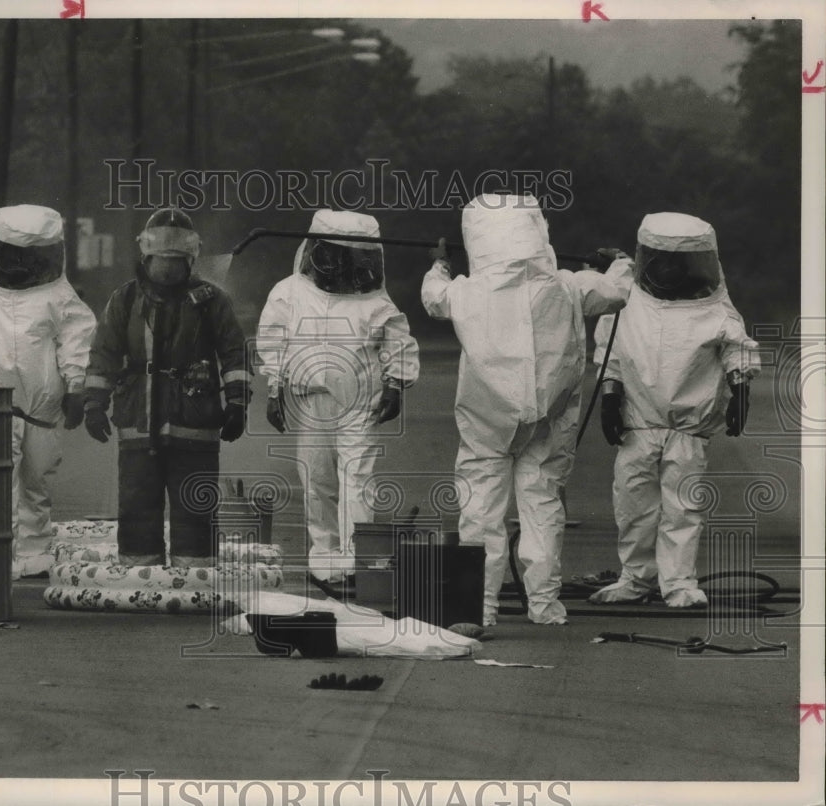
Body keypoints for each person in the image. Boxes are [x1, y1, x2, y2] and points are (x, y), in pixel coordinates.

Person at [421, 193, 631, 626]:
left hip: (487, 423)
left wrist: (440, 262)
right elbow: (618, 291)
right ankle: (544, 605)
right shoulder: (570, 285)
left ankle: (478, 607)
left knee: (480, 511)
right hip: (548, 422)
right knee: (542, 506)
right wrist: (620, 261)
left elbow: (432, 296)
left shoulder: (467, 292)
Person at [589, 212, 760, 608]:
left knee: (683, 506)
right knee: (633, 506)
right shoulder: (627, 301)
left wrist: (741, 391)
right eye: (660, 260)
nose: (668, 270)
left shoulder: (715, 308)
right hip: (638, 424)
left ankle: (679, 583)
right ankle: (636, 578)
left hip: (688, 426)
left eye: (675, 261)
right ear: (649, 258)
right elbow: (612, 352)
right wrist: (610, 397)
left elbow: (737, 349)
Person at [256, 209, 420, 599]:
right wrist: (274, 389)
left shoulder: (374, 299)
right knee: (317, 482)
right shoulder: (289, 292)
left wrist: (396, 384)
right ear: (317, 251)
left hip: (359, 402)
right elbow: (272, 341)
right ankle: (326, 562)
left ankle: (357, 564)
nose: (343, 265)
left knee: (357, 481)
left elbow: (397, 340)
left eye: (352, 257)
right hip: (310, 403)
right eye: (337, 255)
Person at [83, 207, 250, 567]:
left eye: (175, 261)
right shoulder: (125, 300)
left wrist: (237, 402)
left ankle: (196, 574)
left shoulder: (211, 301)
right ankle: (138, 572)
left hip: (195, 422)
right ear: (146, 256)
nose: (167, 269)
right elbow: (104, 354)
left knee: (195, 503)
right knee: (137, 503)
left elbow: (235, 353)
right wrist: (93, 403)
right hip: (139, 422)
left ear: (191, 259)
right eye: (161, 261)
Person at [0, 204, 96, 577]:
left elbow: (75, 337)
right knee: (1, 480)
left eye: (30, 256)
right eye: (13, 254)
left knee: (37, 478)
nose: (20, 264)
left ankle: (35, 555)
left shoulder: (57, 294)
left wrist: (76, 386)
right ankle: (0, 555)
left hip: (42, 405)